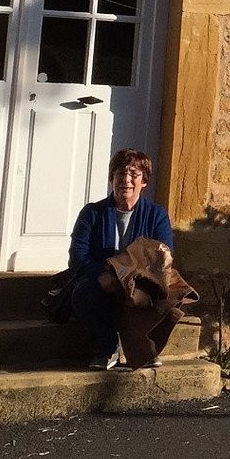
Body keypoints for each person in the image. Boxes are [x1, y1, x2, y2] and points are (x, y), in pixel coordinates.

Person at [67, 148, 175, 370]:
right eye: (119, 174)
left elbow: (163, 254)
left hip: (139, 283)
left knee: (169, 297)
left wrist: (134, 278)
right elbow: (78, 256)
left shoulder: (157, 215)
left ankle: (144, 348)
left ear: (144, 181)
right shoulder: (92, 213)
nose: (126, 180)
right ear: (111, 178)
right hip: (102, 281)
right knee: (83, 293)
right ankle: (107, 348)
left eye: (134, 175)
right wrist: (101, 274)